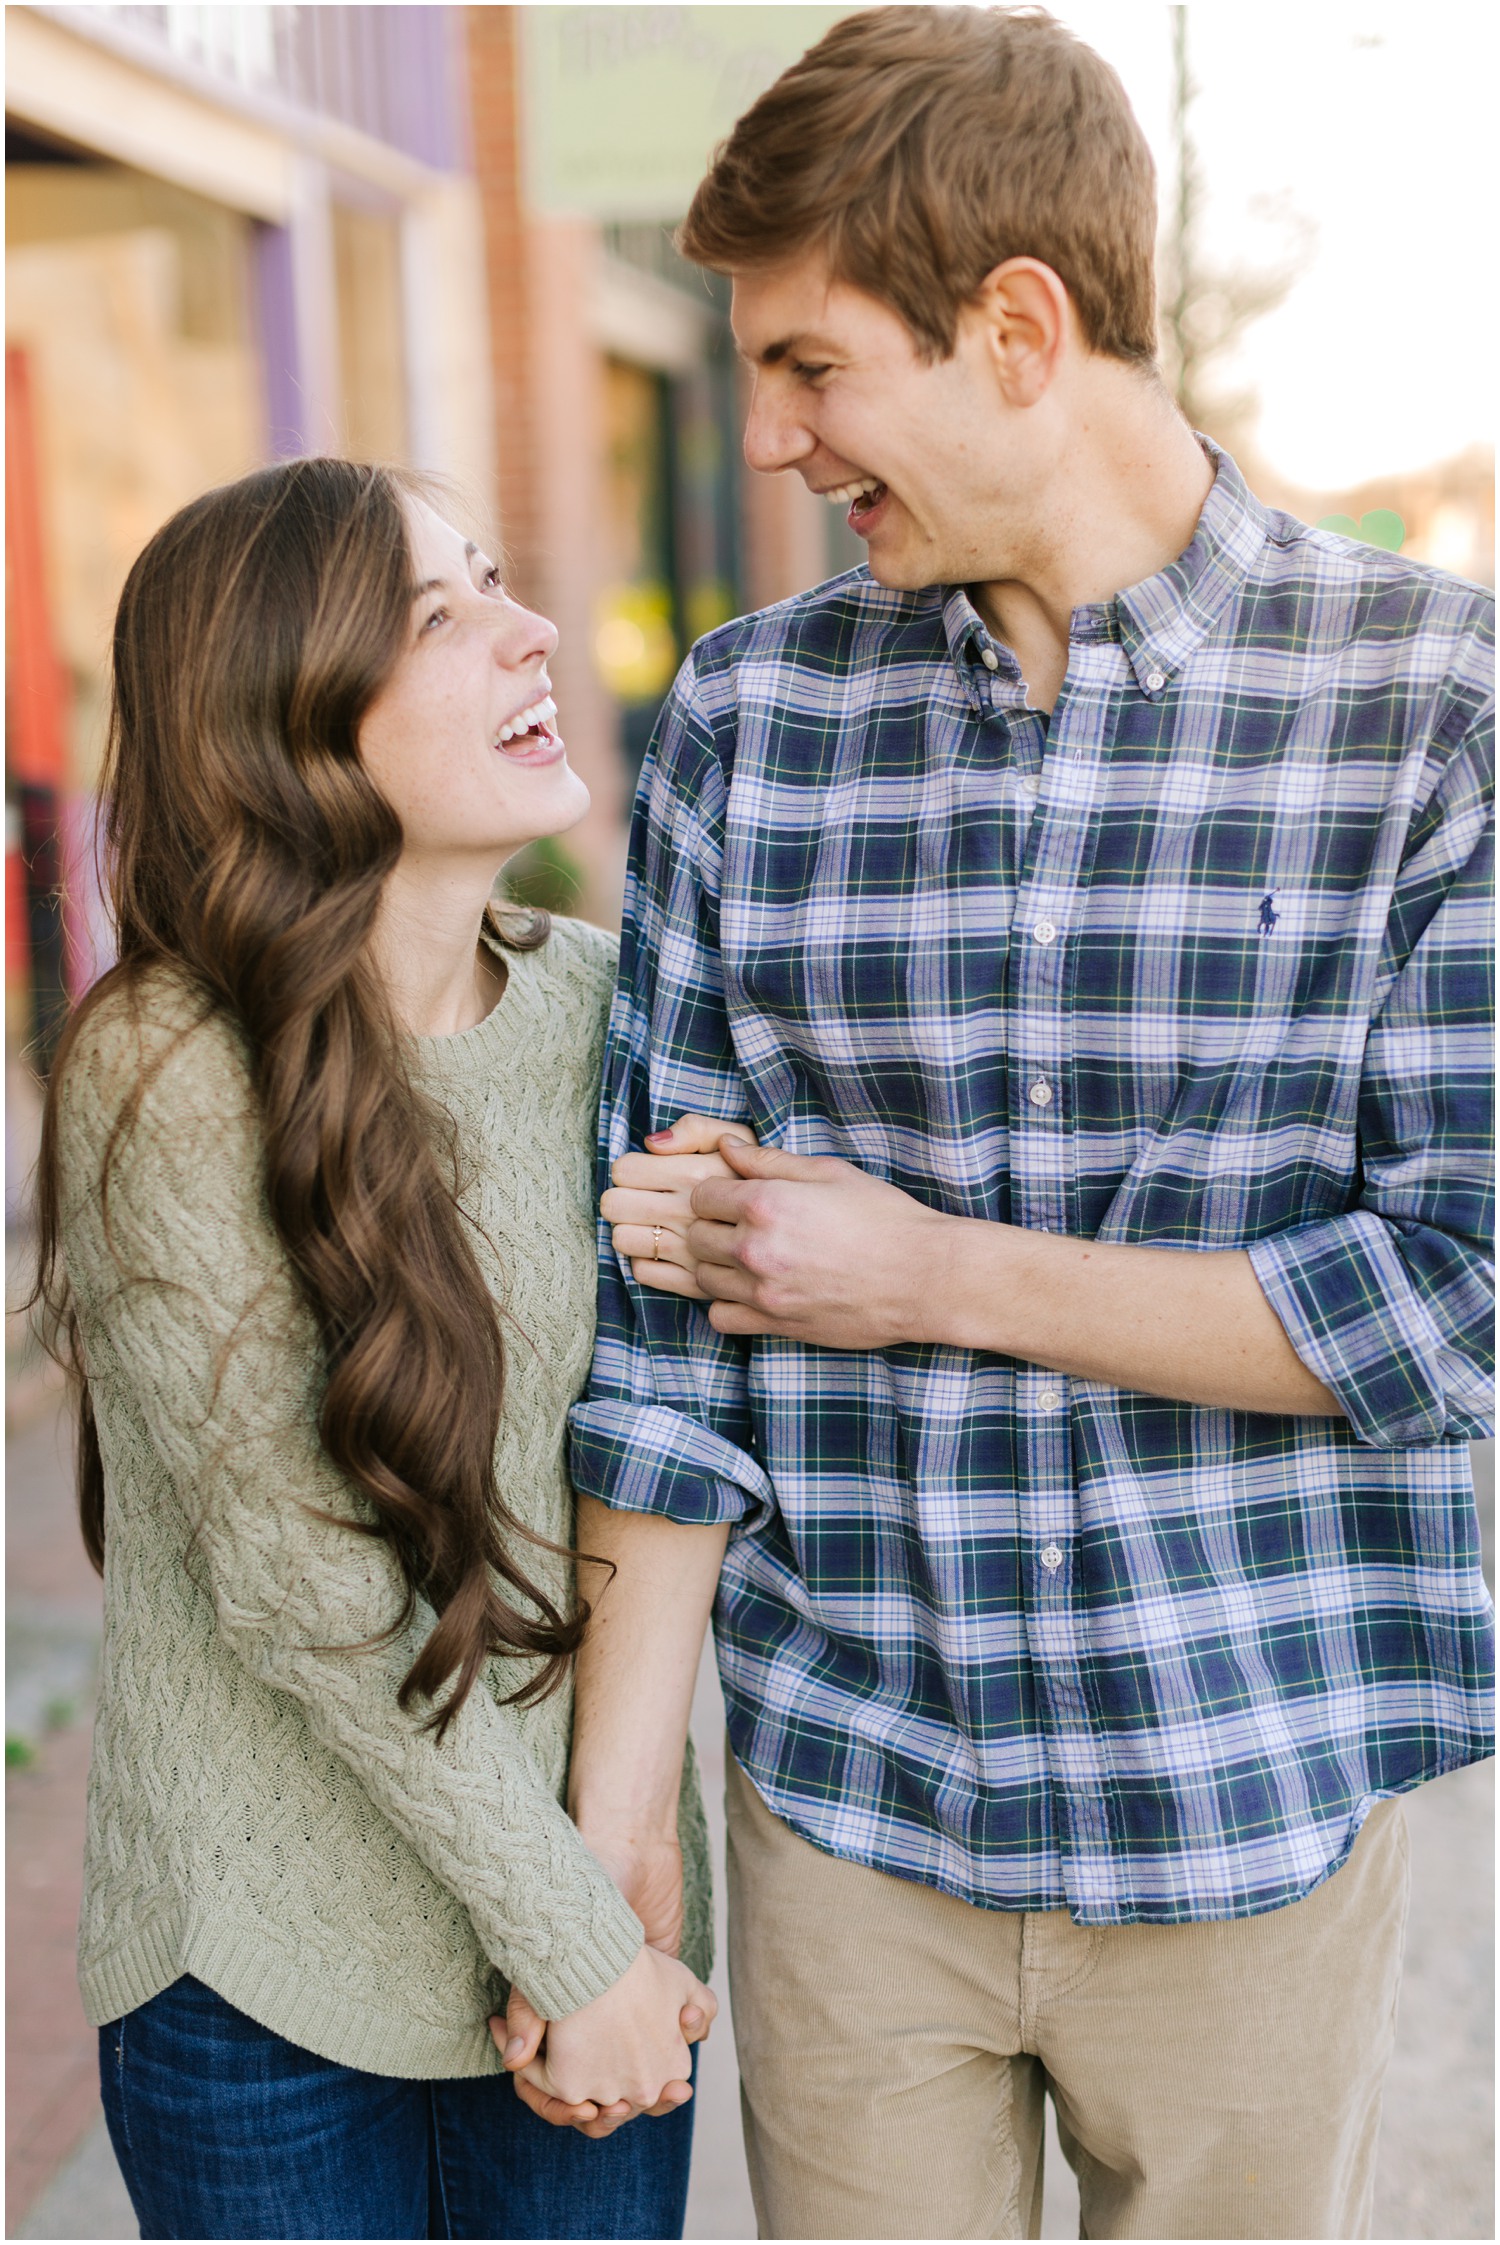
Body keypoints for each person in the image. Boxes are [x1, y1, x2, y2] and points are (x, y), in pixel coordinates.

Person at [547, 8, 1494, 2240]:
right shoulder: (750, 729)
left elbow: (1456, 1301)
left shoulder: (1429, 707)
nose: (770, 437)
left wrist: (929, 1272)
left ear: (1018, 328)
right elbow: (660, 1327)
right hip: (858, 1809)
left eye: (808, 365)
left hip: (1252, 1802)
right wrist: (613, 1817)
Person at [34, 457, 728, 2242]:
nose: (533, 631)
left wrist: (606, 1892)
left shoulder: (603, 1003)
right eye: (443, 614)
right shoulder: (164, 1063)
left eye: (499, 578)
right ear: (289, 724)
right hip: (266, 1980)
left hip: (594, 1903)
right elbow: (306, 1587)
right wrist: (573, 1945)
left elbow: (676, 1429)